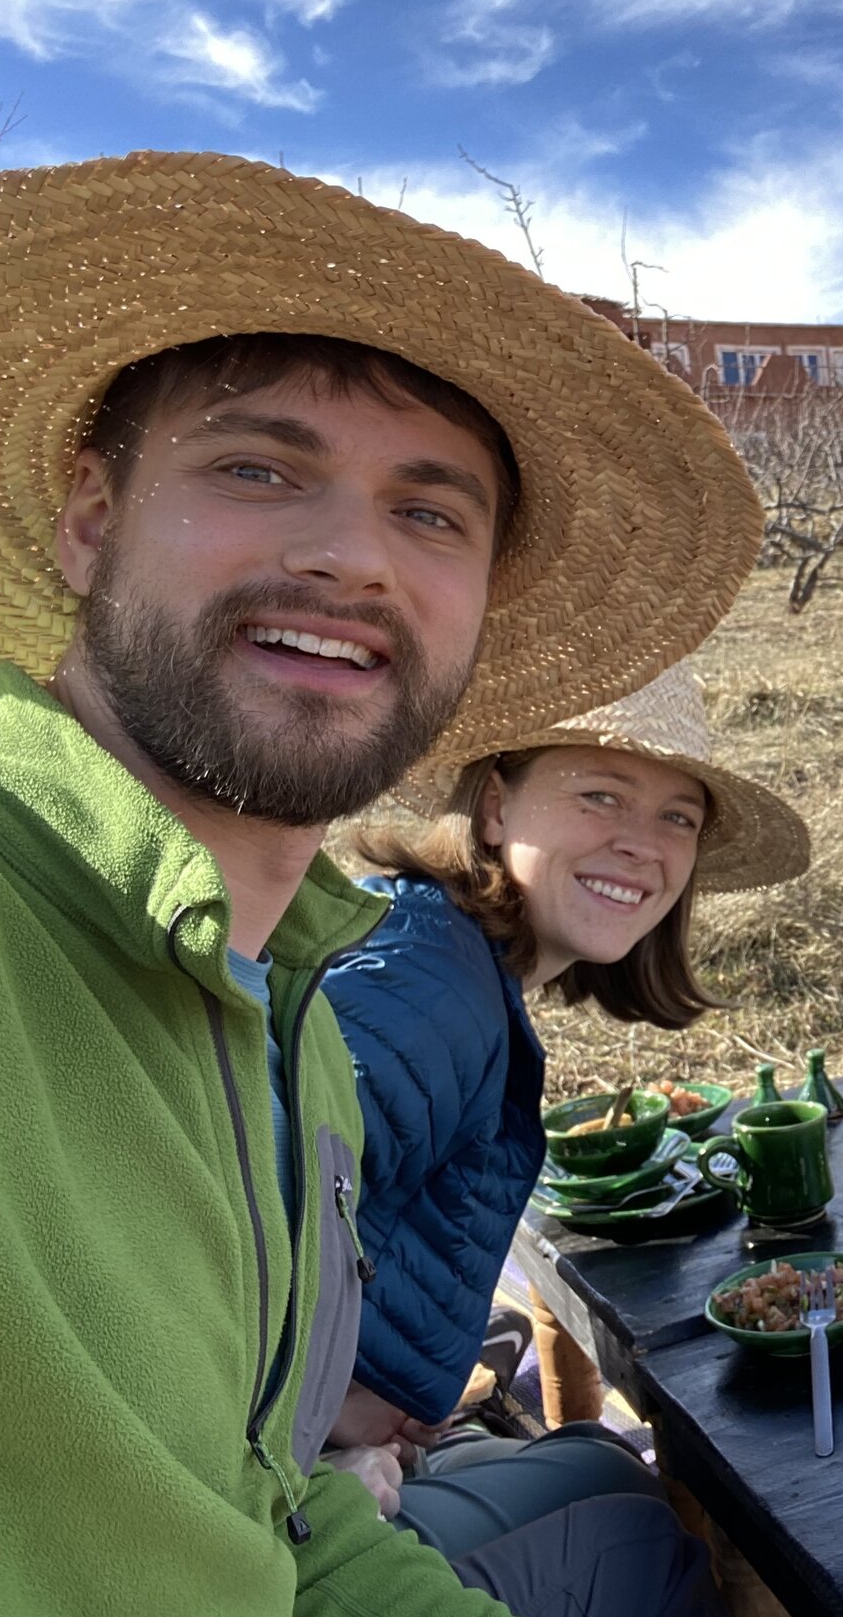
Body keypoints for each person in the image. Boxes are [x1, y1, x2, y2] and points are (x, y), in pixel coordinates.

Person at [0, 152, 763, 1617]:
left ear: (478, 610)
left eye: (432, 510)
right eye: (259, 469)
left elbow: (251, 1528)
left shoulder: (278, 1002)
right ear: (88, 517)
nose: (352, 553)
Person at [318, 660, 809, 1569]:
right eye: (600, 794)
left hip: (341, 1460)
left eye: (677, 817)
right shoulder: (426, 987)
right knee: (648, 1539)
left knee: (597, 1459)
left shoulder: (451, 957)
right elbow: (221, 1220)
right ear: (496, 806)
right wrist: (320, 1431)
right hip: (268, 1519)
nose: (641, 843)